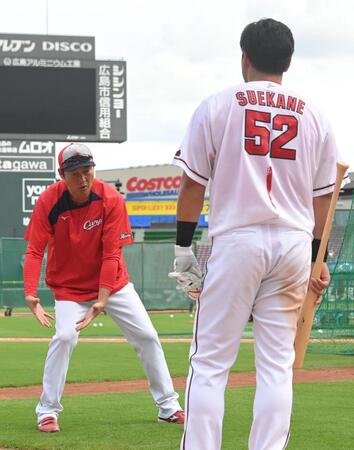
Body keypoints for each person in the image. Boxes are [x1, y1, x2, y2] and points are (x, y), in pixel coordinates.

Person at [169, 18, 349, 450]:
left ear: (244, 57)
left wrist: (182, 251)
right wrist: (316, 258)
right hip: (291, 244)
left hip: (237, 240)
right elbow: (324, 198)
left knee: (210, 363)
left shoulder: (217, 104)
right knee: (276, 366)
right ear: (288, 61)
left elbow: (193, 183)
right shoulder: (315, 114)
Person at [24, 143, 184, 433]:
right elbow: (34, 251)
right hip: (70, 288)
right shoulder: (48, 202)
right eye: (75, 174)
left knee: (147, 336)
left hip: (115, 285)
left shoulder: (110, 199)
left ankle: (168, 406)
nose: (83, 179)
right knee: (64, 338)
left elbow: (112, 254)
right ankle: (47, 411)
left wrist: (103, 298)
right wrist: (30, 294)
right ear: (62, 175)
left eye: (87, 171)